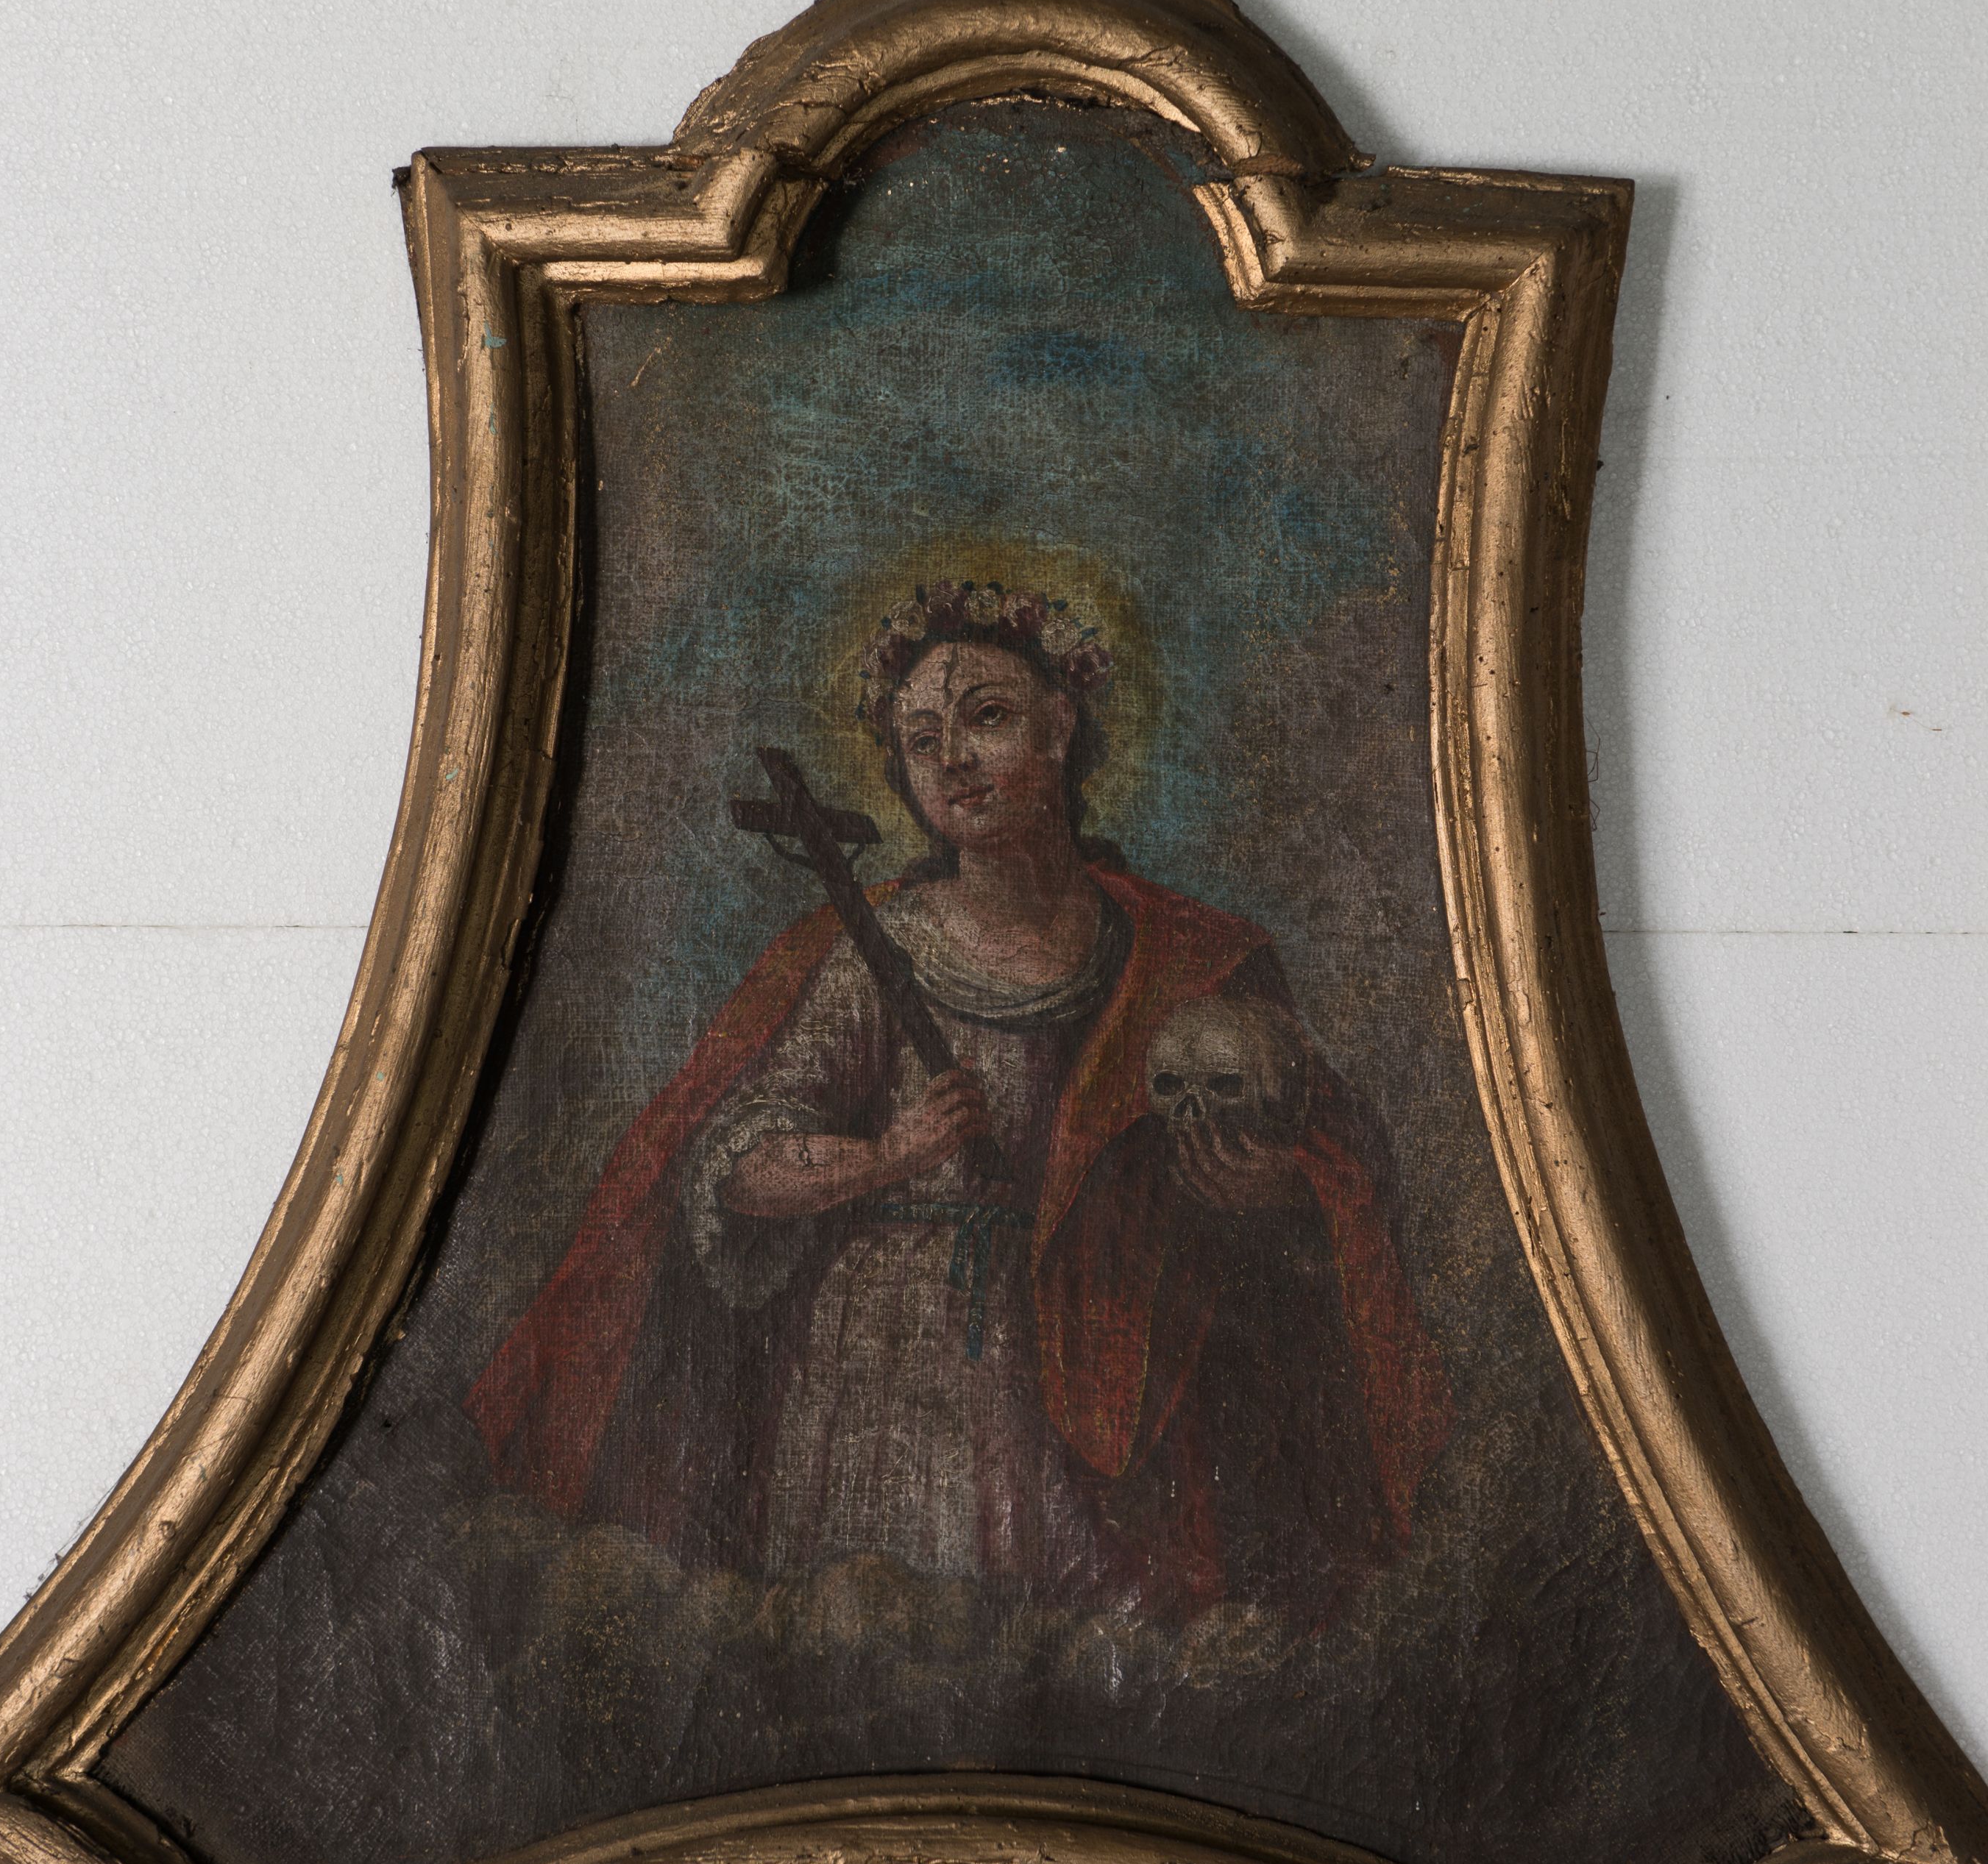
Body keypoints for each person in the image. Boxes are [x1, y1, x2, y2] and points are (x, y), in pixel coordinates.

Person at [465, 582, 1452, 1628]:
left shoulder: (1177, 957)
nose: (953, 762)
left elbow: (1336, 1158)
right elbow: (736, 1159)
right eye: (923, 740)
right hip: (889, 1365)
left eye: (986, 718)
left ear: (1061, 724)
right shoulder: (875, 953)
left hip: (1101, 1359)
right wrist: (890, 1154)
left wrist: (1278, 1190)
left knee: (1092, 1652)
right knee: (886, 1640)